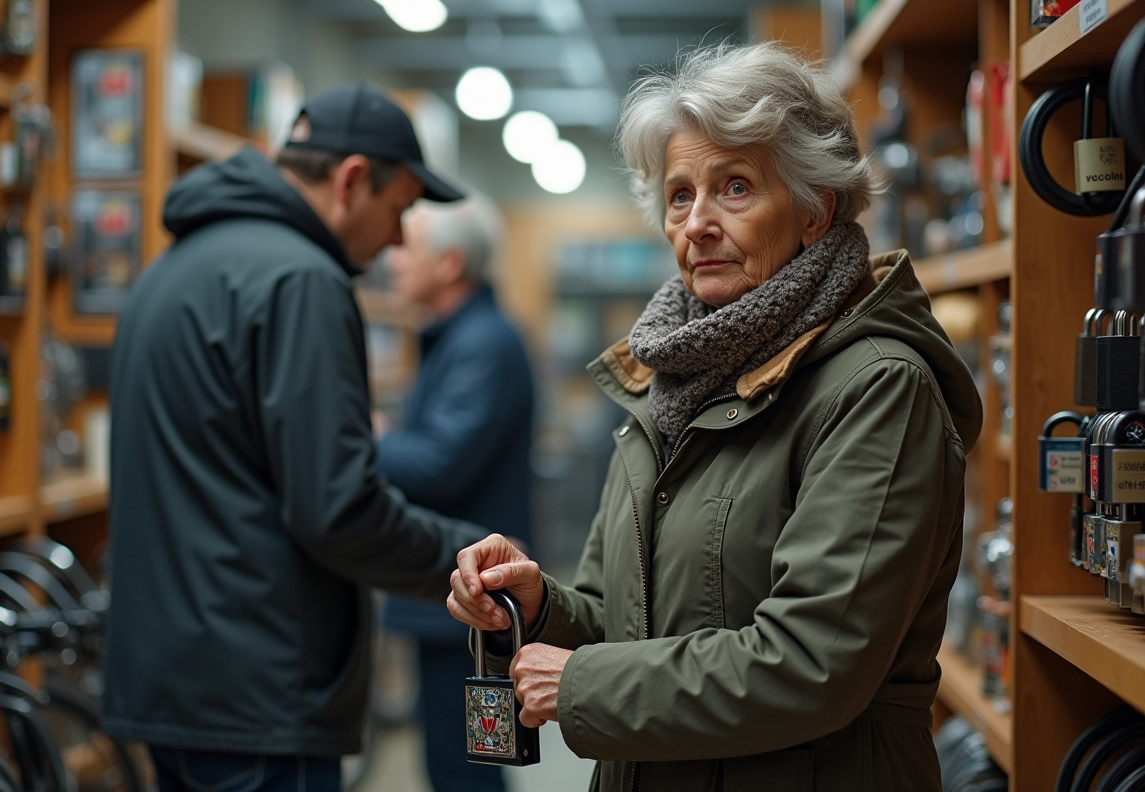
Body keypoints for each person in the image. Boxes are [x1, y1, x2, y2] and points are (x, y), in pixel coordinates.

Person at [447, 42, 983, 792]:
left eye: (735, 188)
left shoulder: (878, 390)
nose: (696, 222)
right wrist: (537, 607)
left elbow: (812, 664)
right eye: (678, 195)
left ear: (814, 210)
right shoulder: (664, 385)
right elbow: (617, 619)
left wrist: (582, 684)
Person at [103, 83, 490, 792]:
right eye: (399, 208)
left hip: (169, 684)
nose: (397, 239)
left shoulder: (172, 269)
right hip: (259, 692)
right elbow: (337, 510)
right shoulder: (302, 281)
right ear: (351, 181)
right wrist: (466, 558)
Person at [376, 197, 534, 792]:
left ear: (449, 263)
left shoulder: (482, 344)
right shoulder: (460, 338)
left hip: (471, 602)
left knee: (464, 774)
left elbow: (440, 465)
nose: (392, 259)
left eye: (407, 247)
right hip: (454, 599)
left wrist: (374, 441)